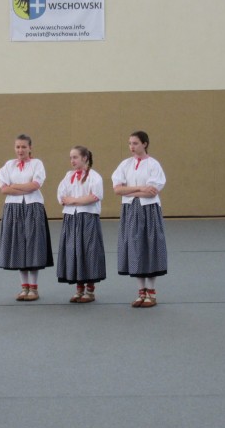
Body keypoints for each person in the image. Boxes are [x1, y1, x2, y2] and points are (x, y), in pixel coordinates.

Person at [112, 130, 168, 308]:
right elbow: (117, 189)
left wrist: (130, 189)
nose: (132, 147)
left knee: (149, 246)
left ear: (144, 143)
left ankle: (151, 292)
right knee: (134, 247)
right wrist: (140, 189)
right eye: (130, 143)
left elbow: (153, 190)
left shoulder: (153, 165)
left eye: (135, 143)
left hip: (148, 210)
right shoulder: (125, 164)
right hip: (130, 209)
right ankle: (140, 291)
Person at [0, 134, 53, 302]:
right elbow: (4, 189)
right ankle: (24, 287)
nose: (20, 150)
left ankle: (34, 288)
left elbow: (35, 185)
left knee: (33, 245)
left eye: (23, 147)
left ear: (30, 148)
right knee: (19, 245)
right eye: (17, 147)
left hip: (32, 207)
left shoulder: (37, 164)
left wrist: (14, 186)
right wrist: (23, 188)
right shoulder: (8, 165)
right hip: (13, 209)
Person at [56, 145, 107, 303]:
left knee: (88, 251)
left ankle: (90, 290)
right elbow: (61, 196)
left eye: (75, 157)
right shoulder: (68, 176)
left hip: (88, 218)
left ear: (85, 158)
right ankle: (79, 288)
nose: (72, 160)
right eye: (71, 158)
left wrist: (74, 200)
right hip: (72, 218)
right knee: (74, 251)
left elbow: (95, 196)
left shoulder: (94, 176)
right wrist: (75, 201)